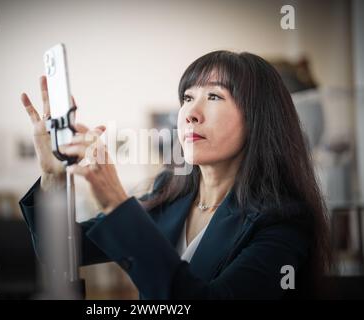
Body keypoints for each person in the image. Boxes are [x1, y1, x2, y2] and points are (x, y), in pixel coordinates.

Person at [19, 50, 331, 299]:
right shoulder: (169, 193)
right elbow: (60, 250)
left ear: (257, 119)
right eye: (187, 98)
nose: (191, 112)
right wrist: (53, 175)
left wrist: (116, 200)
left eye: (214, 97)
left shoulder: (283, 221)